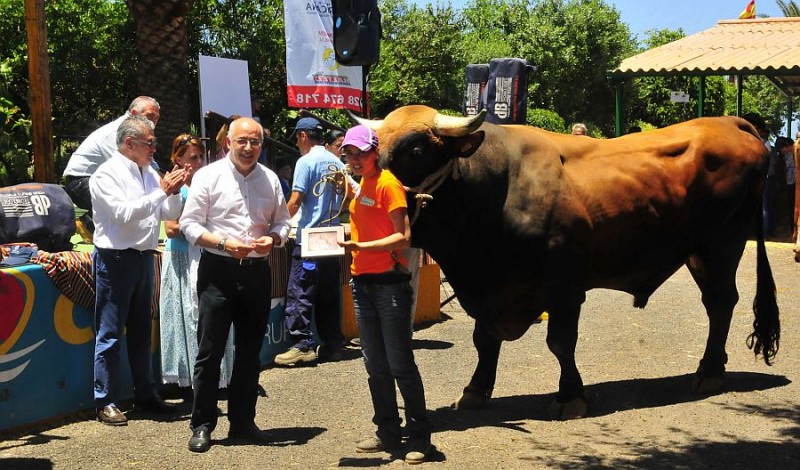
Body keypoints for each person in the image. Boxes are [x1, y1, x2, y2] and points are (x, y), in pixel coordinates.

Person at [180, 117, 291, 453]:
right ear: (228, 141)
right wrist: (226, 244)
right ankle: (202, 424)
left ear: (261, 144)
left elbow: (284, 222)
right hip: (218, 271)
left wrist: (273, 239)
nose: (248, 148)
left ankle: (243, 422)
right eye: (241, 141)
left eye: (254, 142)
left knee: (249, 351)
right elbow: (188, 224)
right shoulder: (208, 176)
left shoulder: (270, 179)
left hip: (257, 272)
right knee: (210, 352)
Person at [338, 125, 433, 464]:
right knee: (375, 365)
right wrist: (343, 237)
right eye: (350, 153)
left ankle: (420, 436)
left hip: (389, 285)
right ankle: (388, 432)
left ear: (374, 152)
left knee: (400, 364)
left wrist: (359, 245)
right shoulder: (363, 183)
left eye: (360, 153)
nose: (354, 158)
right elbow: (368, 226)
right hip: (362, 283)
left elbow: (402, 237)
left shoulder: (388, 184)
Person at [89, 114, 185, 426]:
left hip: (144, 256)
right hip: (116, 259)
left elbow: (166, 212)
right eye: (149, 143)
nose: (154, 148)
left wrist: (174, 192)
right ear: (129, 143)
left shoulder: (149, 170)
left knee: (143, 332)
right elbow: (124, 214)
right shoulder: (105, 175)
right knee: (110, 333)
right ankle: (105, 400)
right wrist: (162, 191)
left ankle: (145, 394)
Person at [159, 134, 235, 395]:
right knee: (186, 317)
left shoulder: (207, 183)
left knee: (208, 317)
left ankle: (216, 377)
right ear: (178, 159)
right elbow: (170, 228)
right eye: (192, 157)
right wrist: (200, 227)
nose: (198, 162)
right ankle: (185, 379)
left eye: (201, 156)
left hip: (204, 255)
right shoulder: (174, 186)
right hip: (182, 256)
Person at [273, 117, 348, 366]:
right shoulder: (336, 161)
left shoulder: (305, 162)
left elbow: (295, 201)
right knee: (329, 292)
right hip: (333, 235)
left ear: (303, 136)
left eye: (296, 138)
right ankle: (333, 344)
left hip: (310, 237)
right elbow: (351, 195)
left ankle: (302, 344)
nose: (296, 143)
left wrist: (275, 223)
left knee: (301, 290)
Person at [64, 96, 161, 239]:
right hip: (80, 182)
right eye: (149, 116)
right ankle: (88, 224)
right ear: (134, 114)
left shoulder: (138, 133)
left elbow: (150, 167)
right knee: (129, 192)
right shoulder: (116, 133)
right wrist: (164, 188)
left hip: (93, 179)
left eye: (157, 118)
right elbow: (127, 168)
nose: (153, 122)